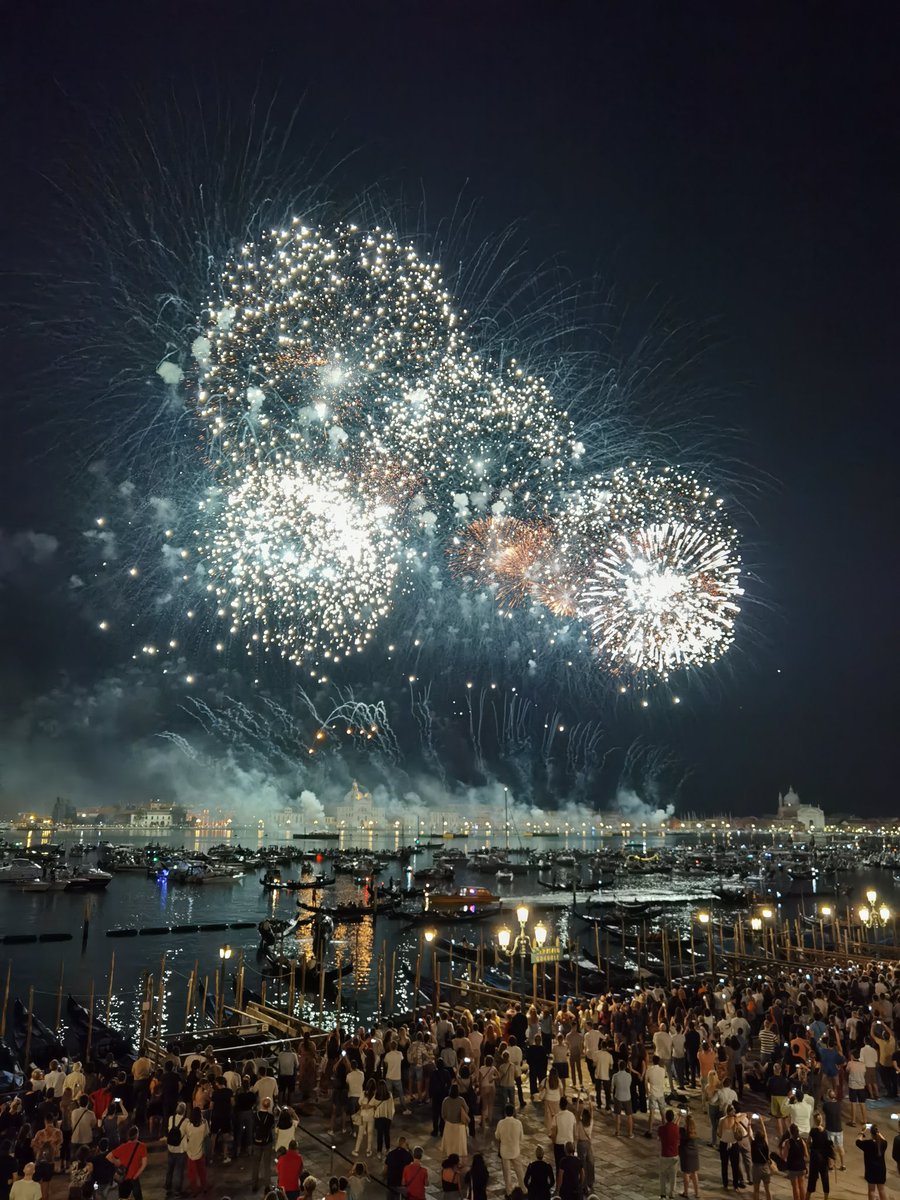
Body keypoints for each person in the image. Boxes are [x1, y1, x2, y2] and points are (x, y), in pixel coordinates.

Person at [106, 1127, 147, 1200]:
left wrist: (118, 1163)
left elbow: (109, 1156)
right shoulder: (142, 1146)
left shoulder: (123, 1147)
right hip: (134, 1177)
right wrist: (136, 1175)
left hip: (123, 1178)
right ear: (137, 1135)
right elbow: (144, 1164)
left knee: (123, 1198)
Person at [495, 1104, 526, 1196]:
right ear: (513, 1112)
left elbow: (497, 1136)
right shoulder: (518, 1123)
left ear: (505, 1113)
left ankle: (509, 1191)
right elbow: (521, 1138)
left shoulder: (501, 1123)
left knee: (506, 1172)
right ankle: (524, 1189)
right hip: (515, 1150)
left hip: (504, 1151)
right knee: (519, 1170)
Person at [856, 1123, 888, 1200]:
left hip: (871, 1169)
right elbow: (884, 1139)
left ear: (871, 1133)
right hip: (881, 1169)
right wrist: (877, 1131)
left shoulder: (868, 1143)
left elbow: (858, 1141)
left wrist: (862, 1131)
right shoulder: (883, 1143)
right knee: (881, 1189)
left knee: (871, 1190)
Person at [778, 1123, 808, 1200]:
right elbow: (806, 1155)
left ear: (791, 1132)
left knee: (795, 1187)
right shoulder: (802, 1141)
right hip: (801, 1166)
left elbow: (784, 1157)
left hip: (792, 1168)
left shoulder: (788, 1143)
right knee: (802, 1186)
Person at [252, 1097, 276, 1191]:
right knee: (267, 1164)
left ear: (261, 1104)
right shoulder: (270, 1117)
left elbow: (253, 1127)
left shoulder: (255, 1115)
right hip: (267, 1141)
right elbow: (272, 1127)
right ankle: (267, 1185)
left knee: (256, 1163)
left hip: (257, 1141)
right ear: (269, 1106)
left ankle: (255, 1184)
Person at [182, 1107, 208, 1195]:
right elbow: (207, 1134)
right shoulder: (204, 1125)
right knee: (202, 1171)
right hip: (200, 1151)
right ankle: (204, 1186)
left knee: (192, 1173)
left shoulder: (188, 1125)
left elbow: (186, 1135)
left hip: (190, 1152)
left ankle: (194, 1190)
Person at [807, 1111, 833, 1198]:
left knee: (812, 1179)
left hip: (815, 1157)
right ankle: (826, 1197)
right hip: (823, 1157)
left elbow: (808, 1142)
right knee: (825, 1178)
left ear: (814, 1121)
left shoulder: (813, 1131)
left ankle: (808, 1196)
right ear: (821, 1121)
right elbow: (828, 1145)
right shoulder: (825, 1132)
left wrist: (809, 1149)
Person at [440, 1084, 469, 1161]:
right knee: (459, 1146)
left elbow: (443, 1114)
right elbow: (466, 1110)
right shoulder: (461, 1100)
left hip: (449, 1125)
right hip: (459, 1126)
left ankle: (450, 1159)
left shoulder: (446, 1100)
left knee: (450, 1145)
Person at [658, 1109, 680, 1200]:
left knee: (662, 1175)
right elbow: (676, 1126)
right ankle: (672, 1194)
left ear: (666, 1118)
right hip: (674, 1155)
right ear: (673, 1118)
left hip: (664, 1155)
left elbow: (659, 1137)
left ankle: (663, 1194)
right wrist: (679, 1117)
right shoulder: (676, 1128)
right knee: (673, 1177)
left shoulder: (661, 1129)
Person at [748, 1116, 772, 1200]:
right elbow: (764, 1132)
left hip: (756, 1168)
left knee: (756, 1190)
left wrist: (749, 1122)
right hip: (765, 1167)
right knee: (767, 1190)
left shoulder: (753, 1143)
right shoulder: (765, 1143)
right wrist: (762, 1121)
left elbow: (749, 1134)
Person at [678, 1112, 700, 1200]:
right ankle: (697, 1193)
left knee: (686, 1173)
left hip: (686, 1153)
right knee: (694, 1173)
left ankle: (686, 1192)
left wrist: (679, 1117)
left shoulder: (683, 1131)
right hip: (694, 1152)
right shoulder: (694, 1131)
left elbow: (676, 1128)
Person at [551, 1097, 577, 1170]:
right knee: (570, 1167)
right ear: (567, 1105)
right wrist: (573, 1142)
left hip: (559, 1144)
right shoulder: (572, 1115)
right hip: (570, 1143)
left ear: (559, 1105)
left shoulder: (556, 1117)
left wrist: (554, 1142)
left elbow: (554, 1133)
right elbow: (574, 1132)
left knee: (559, 1166)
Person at [645, 1056, 668, 1138]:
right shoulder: (662, 1070)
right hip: (661, 1093)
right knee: (663, 1113)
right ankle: (666, 1130)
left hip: (652, 1093)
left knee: (652, 1113)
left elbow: (645, 1081)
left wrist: (647, 1092)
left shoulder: (649, 1070)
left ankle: (650, 1131)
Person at [611, 1060, 634, 1138]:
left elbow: (612, 1087)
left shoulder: (615, 1076)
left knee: (617, 1115)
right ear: (625, 1067)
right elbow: (629, 1085)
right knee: (629, 1115)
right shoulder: (629, 1076)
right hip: (627, 1096)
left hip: (618, 1096)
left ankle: (617, 1132)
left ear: (618, 1066)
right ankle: (630, 1133)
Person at [373, 1082, 395, 1156]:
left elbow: (371, 1104)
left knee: (379, 1135)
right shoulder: (390, 1095)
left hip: (379, 1118)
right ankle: (388, 1149)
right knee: (387, 1134)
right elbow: (392, 1107)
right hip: (387, 1117)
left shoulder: (376, 1096)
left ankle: (379, 1151)